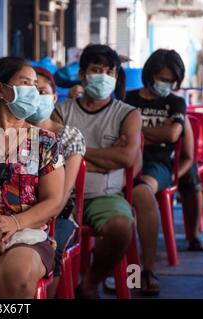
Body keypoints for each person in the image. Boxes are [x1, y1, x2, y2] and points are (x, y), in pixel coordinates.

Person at [0, 57, 65, 298]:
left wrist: (13, 223)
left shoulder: (46, 142)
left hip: (26, 235)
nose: (34, 92)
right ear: (1, 89)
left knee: (16, 277)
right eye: (26, 83)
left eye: (36, 86)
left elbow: (53, 201)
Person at [52, 44, 141, 298]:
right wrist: (104, 158)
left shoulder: (127, 114)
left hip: (105, 195)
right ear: (82, 75)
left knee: (122, 227)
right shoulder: (62, 110)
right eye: (97, 69)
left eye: (110, 72)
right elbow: (52, 156)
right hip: (63, 196)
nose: (104, 76)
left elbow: (126, 157)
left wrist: (76, 152)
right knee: (46, 235)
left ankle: (91, 282)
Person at [124, 49, 187, 295]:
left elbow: (172, 135)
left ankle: (144, 270)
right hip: (126, 160)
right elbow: (118, 135)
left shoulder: (175, 102)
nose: (166, 84)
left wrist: (135, 132)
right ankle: (123, 271)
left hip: (157, 165)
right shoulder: (128, 98)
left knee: (141, 192)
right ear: (150, 75)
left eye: (171, 80)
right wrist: (146, 135)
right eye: (162, 78)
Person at [26, 66, 86, 298]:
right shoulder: (8, 134)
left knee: (52, 246)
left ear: (53, 97)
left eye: (42, 91)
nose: (36, 96)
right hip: (15, 214)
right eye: (30, 90)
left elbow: (59, 200)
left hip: (57, 218)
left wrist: (22, 224)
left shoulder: (67, 135)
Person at [177, 117, 203, 251]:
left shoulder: (175, 104)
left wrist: (173, 176)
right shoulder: (131, 103)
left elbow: (188, 157)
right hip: (143, 159)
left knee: (191, 178)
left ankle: (194, 236)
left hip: (173, 161)